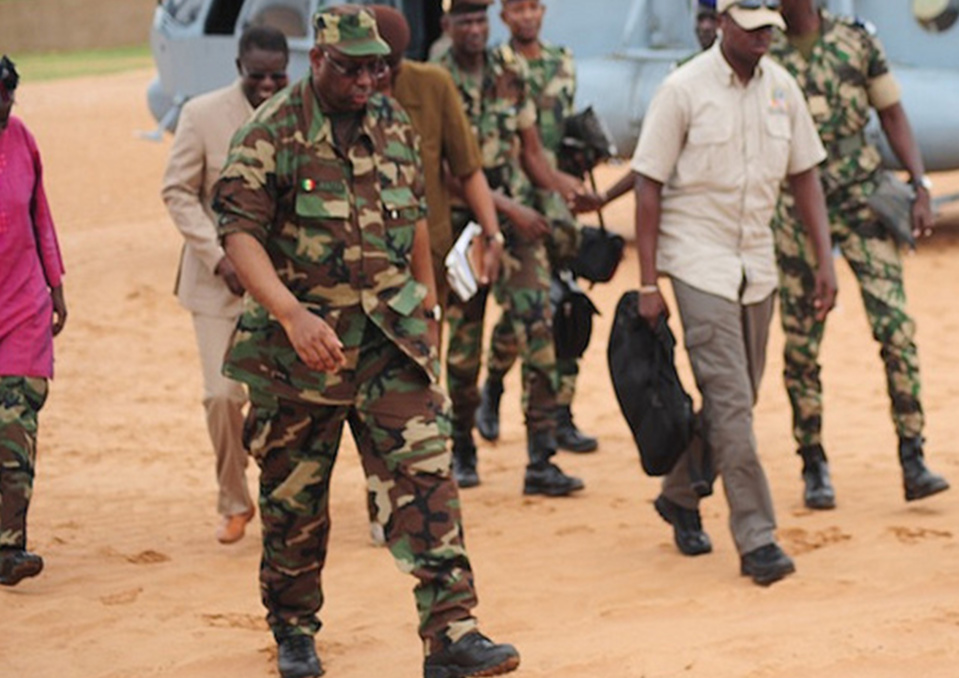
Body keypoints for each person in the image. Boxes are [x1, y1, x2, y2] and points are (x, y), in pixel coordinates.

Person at [211, 7, 520, 678]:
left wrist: (428, 306)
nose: (364, 79)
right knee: (295, 503)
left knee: (428, 478)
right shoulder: (272, 132)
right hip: (303, 357)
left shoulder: (392, 125)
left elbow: (411, 219)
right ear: (317, 59)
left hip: (390, 345)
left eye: (374, 66)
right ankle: (293, 631)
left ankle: (452, 634)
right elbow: (239, 233)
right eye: (350, 67)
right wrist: (291, 315)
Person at [632, 1, 838, 585]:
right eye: (750, 28)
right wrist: (649, 281)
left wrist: (826, 260)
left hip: (758, 265)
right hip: (698, 261)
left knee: (738, 397)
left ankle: (678, 494)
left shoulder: (784, 88)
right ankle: (757, 536)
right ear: (721, 23)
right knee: (731, 403)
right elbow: (648, 184)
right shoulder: (682, 89)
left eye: (768, 27)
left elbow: (805, 176)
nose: (762, 38)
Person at [769, 0, 950, 510]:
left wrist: (918, 184)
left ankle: (913, 456)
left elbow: (892, 112)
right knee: (802, 346)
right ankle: (813, 464)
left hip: (862, 197)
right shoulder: (764, 49)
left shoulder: (857, 41)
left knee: (896, 330)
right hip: (796, 210)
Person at [437, 0, 587, 494]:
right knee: (463, 350)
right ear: (449, 26)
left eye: (480, 20)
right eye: (466, 22)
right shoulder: (436, 79)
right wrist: (506, 210)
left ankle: (540, 461)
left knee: (540, 330)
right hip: (466, 229)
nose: (475, 30)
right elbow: (443, 170)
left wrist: (564, 189)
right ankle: (462, 446)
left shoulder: (509, 70)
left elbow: (531, 152)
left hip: (520, 222)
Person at [162, 26, 289, 545]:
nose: (266, 85)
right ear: (239, 68)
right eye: (256, 75)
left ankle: (285, 500)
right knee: (220, 396)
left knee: (280, 403)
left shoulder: (301, 116)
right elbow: (177, 191)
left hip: (283, 287)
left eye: (276, 75)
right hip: (218, 285)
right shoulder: (201, 115)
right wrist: (219, 258)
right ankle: (235, 500)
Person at [474, 0, 599, 454]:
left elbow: (560, 130)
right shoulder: (495, 68)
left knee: (565, 305)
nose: (527, 16)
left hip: (557, 201)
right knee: (531, 310)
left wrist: (582, 158)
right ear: (503, 17)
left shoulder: (562, 61)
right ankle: (496, 389)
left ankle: (561, 412)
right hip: (515, 205)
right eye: (516, 9)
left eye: (533, 7)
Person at [0, 55, 67, 587]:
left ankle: (9, 549)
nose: (2, 107)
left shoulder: (21, 139)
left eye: (7, 96)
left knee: (16, 426)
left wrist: (57, 286)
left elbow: (38, 214)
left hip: (24, 304)